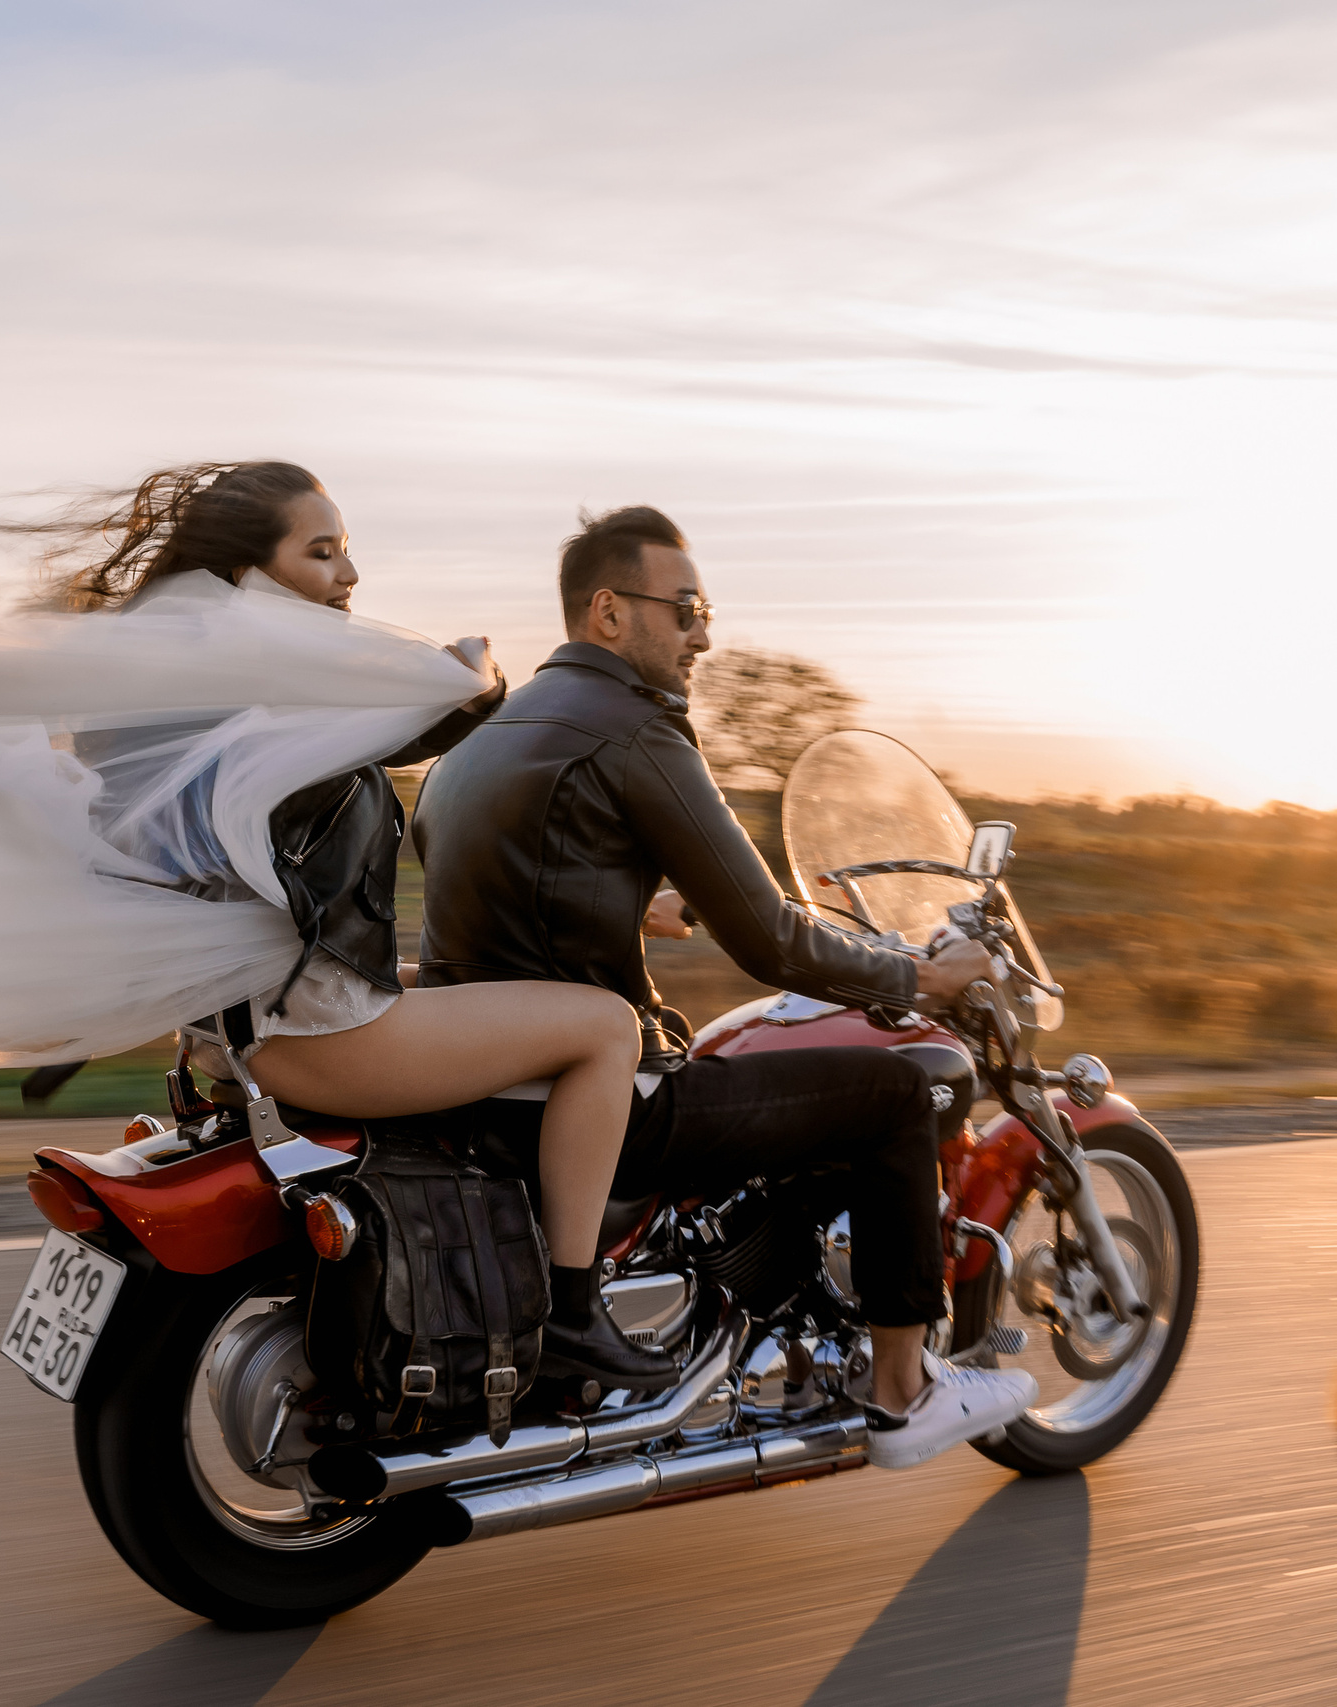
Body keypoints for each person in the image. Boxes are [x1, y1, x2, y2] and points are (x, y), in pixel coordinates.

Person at [408, 504, 1037, 1469]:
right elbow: (773, 941)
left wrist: (619, 902)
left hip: (479, 1078)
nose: (706, 631)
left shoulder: (489, 731)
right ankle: (905, 1389)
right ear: (609, 612)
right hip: (598, 1098)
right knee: (893, 1092)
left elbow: (486, 878)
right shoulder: (637, 729)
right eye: (689, 607)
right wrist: (919, 974)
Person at [48, 463, 673, 1389]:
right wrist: (473, 680)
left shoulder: (217, 709)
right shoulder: (275, 706)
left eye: (348, 551)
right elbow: (429, 717)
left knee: (482, 981)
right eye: (323, 551)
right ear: (251, 578)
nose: (349, 576)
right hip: (322, 1036)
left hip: (246, 1029)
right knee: (603, 1025)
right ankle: (575, 1312)